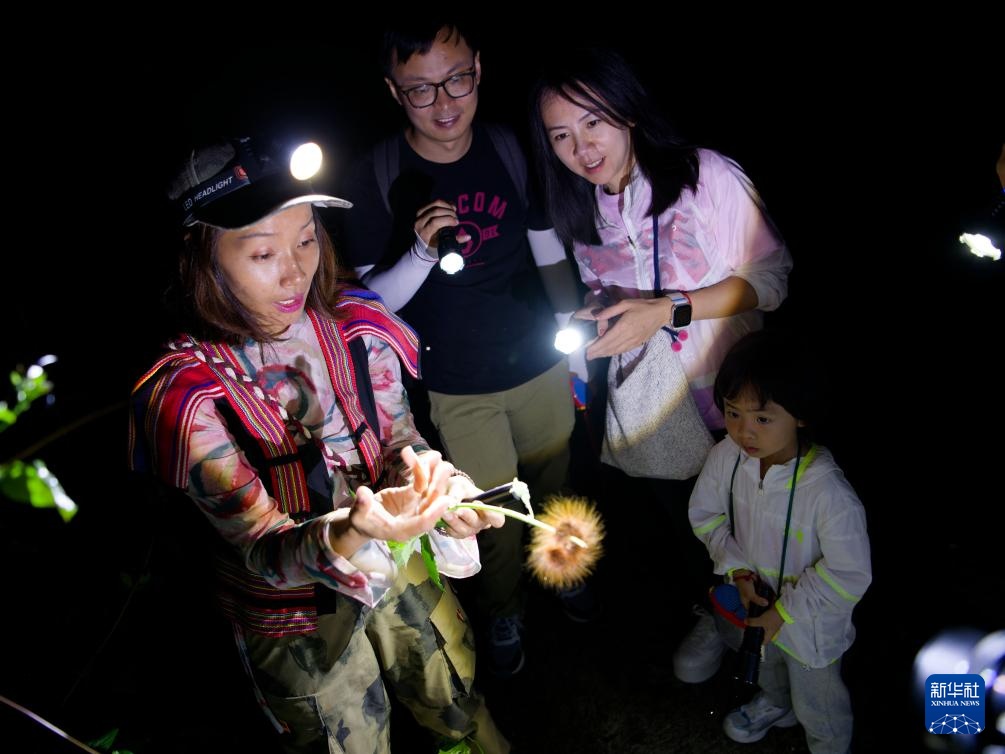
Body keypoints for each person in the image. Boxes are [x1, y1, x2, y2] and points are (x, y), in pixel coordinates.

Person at [129, 135, 510, 754]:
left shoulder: (357, 324)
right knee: (346, 740)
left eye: (307, 239)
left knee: (451, 689)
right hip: (291, 612)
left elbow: (399, 437)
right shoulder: (186, 396)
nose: (295, 271)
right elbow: (260, 549)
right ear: (201, 256)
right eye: (262, 252)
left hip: (397, 559)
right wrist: (350, 530)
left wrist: (438, 484)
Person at [338, 20, 590, 678]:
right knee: (492, 510)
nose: (444, 103)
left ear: (478, 67)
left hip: (539, 361)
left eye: (457, 79)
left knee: (553, 480)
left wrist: (578, 342)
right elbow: (371, 305)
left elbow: (546, 247)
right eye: (421, 90)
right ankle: (504, 607)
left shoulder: (509, 147)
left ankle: (564, 574)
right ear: (393, 91)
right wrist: (422, 251)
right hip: (456, 381)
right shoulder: (376, 173)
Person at [529, 50, 792, 638]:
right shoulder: (584, 211)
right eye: (562, 136)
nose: (582, 148)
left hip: (736, 399)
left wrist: (671, 308)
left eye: (593, 121)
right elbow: (606, 290)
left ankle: (787, 642)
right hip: (658, 413)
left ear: (625, 110)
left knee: (768, 533)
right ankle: (718, 619)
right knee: (693, 531)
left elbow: (772, 279)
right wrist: (596, 312)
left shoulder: (703, 175)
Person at [685, 330, 871, 752]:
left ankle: (827, 741)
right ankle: (776, 703)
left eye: (762, 419)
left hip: (811, 632)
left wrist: (784, 613)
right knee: (768, 667)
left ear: (801, 414)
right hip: (756, 610)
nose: (743, 432)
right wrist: (738, 570)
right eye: (732, 413)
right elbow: (706, 515)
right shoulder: (727, 458)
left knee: (818, 700)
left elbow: (848, 573)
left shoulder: (829, 494)